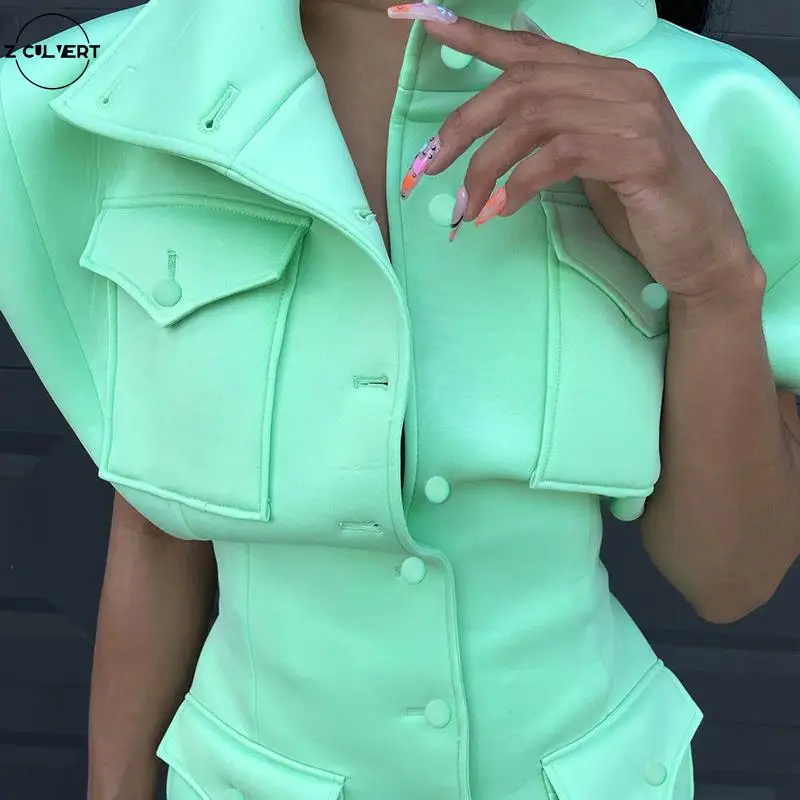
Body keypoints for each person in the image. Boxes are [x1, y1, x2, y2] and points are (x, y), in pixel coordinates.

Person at [1, 0, 799, 798]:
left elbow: (729, 579)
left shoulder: (703, 108)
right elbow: (155, 513)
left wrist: (714, 285)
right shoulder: (121, 94)